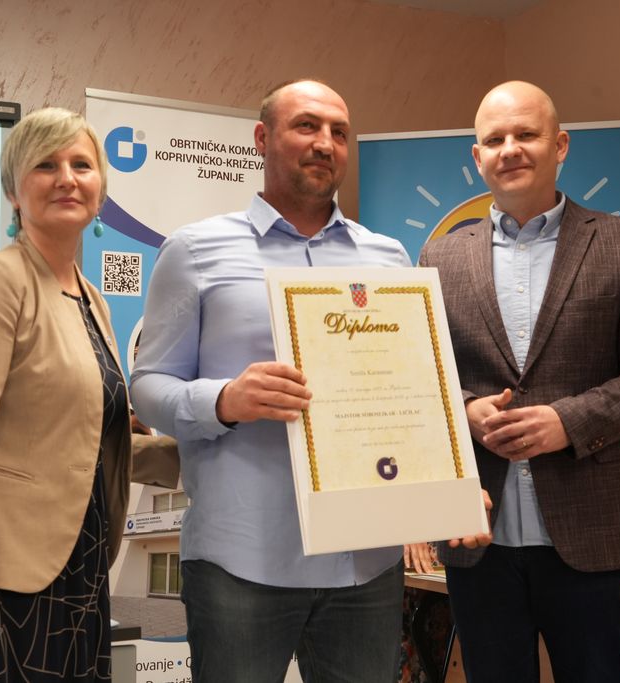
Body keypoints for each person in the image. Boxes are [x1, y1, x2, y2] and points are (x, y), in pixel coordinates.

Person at [131, 79, 416, 683]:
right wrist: (224, 400)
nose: (325, 143)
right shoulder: (195, 250)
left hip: (365, 565)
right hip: (242, 563)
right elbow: (148, 384)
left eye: (339, 132)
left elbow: (409, 392)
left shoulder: (388, 258)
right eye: (306, 126)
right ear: (263, 138)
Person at [419, 81, 620, 682]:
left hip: (589, 534)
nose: (510, 149)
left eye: (526, 134)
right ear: (478, 157)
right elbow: (423, 376)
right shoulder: (439, 257)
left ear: (559, 145)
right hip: (477, 533)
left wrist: (568, 422)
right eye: (495, 140)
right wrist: (466, 409)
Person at [0, 107, 177, 683]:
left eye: (82, 165)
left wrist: (209, 448)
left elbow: (81, 442)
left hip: (80, 571)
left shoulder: (91, 298)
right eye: (46, 165)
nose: (67, 178)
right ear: (13, 190)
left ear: (100, 191)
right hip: (2, 585)